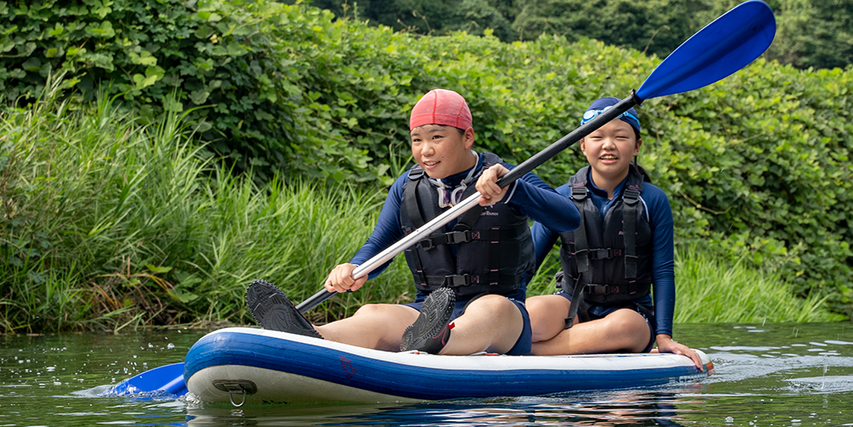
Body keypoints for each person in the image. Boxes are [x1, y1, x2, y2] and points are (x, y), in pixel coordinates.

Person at [247, 88, 580, 355]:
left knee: (489, 310)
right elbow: (381, 244)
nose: (425, 150)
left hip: (503, 315)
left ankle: (440, 341)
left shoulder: (506, 177)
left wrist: (513, 189)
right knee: (375, 314)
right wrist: (355, 267)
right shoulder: (407, 187)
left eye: (437, 137)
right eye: (417, 139)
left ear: (467, 137)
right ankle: (311, 337)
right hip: (427, 311)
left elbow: (567, 217)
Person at [525, 97, 705, 370]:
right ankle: (553, 343)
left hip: (631, 314)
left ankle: (531, 350)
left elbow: (663, 272)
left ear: (637, 147)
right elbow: (526, 265)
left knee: (624, 326)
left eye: (620, 136)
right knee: (530, 312)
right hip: (572, 307)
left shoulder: (653, 200)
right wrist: (507, 316)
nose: (608, 144)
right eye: (597, 136)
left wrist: (664, 337)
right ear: (583, 145)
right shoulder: (560, 198)